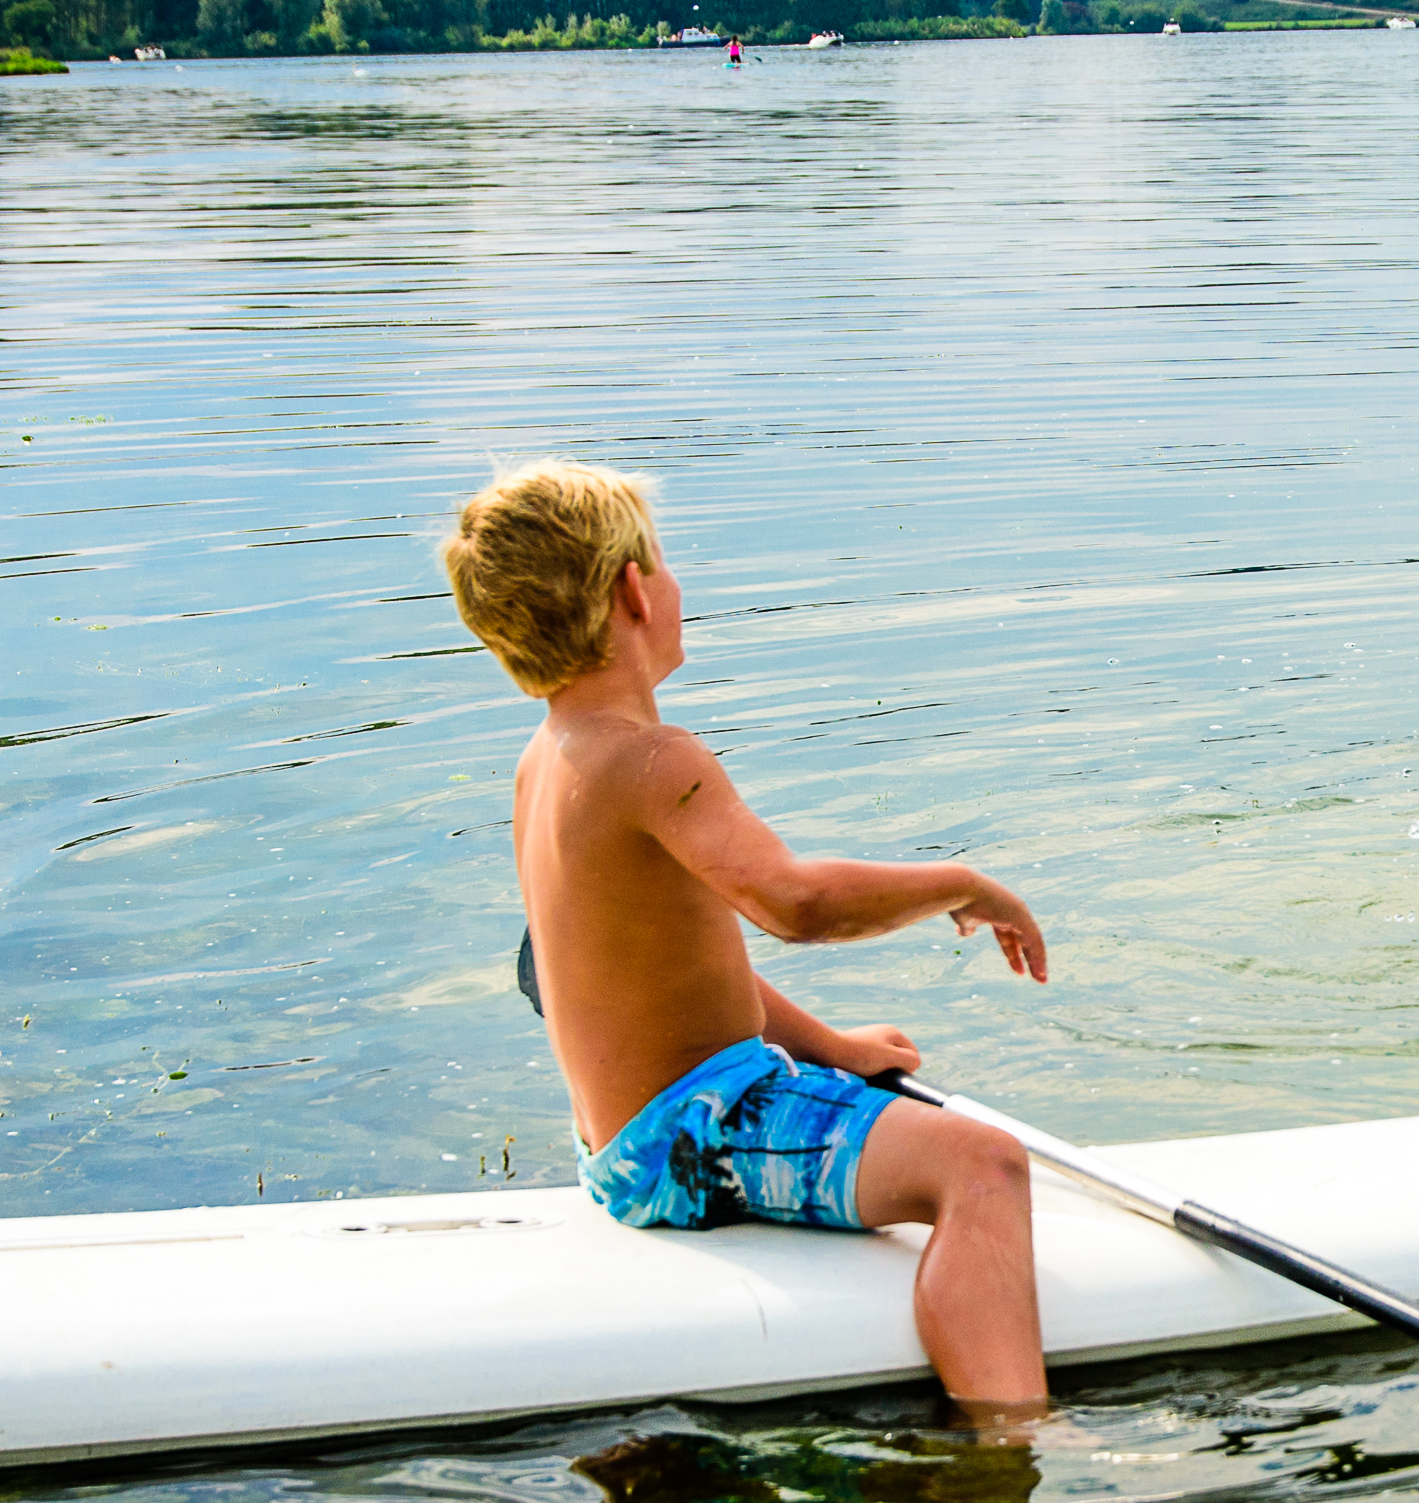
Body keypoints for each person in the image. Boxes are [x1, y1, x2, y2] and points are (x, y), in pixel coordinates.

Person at [440, 462, 1052, 1416]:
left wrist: (832, 1049)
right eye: (662, 562)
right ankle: (1013, 1440)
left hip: (631, 1143)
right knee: (983, 1165)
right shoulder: (655, 760)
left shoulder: (546, 764)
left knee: (933, 1135)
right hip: (702, 1134)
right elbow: (795, 903)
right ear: (633, 590)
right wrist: (964, 884)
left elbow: (658, 974)